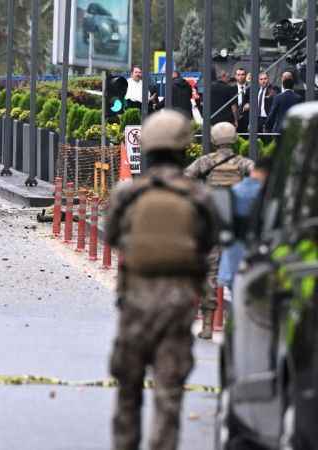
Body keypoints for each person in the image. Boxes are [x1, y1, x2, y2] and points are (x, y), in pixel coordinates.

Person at [106, 110, 217, 450]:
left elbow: (111, 235)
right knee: (168, 395)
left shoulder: (128, 194)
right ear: (185, 149)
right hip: (179, 305)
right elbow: (210, 240)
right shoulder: (198, 197)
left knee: (128, 390)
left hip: (136, 302)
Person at [184, 122, 254, 339]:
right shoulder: (244, 163)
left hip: (212, 224)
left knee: (210, 274)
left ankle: (206, 325)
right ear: (234, 139)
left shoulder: (205, 162)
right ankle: (239, 325)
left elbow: (185, 179)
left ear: (214, 140)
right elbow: (260, 183)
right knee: (240, 273)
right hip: (237, 226)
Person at [218, 158, 271, 289]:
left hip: (230, 263)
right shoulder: (267, 194)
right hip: (256, 265)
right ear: (268, 173)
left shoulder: (234, 191)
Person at [233, 68, 250, 133]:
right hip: (235, 119)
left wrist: (250, 104)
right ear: (235, 76)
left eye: (243, 74)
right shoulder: (231, 88)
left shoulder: (250, 87)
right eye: (238, 74)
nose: (240, 76)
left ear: (245, 76)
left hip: (247, 118)